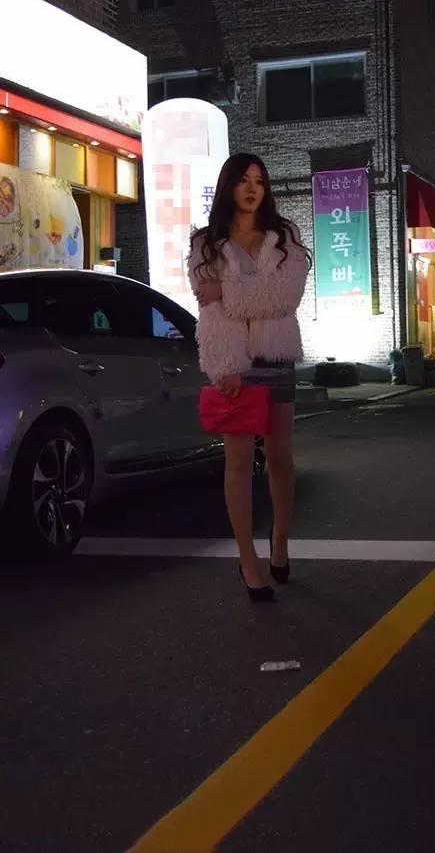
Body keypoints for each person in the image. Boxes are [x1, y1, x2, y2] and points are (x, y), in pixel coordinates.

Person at [187, 153, 310, 603]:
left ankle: (280, 540)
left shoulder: (285, 237)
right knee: (238, 462)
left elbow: (287, 297)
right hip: (236, 365)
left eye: (259, 180)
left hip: (276, 358)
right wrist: (226, 368)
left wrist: (227, 290)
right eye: (243, 180)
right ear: (229, 187)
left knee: (279, 456)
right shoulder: (205, 244)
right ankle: (248, 559)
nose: (253, 187)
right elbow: (212, 313)